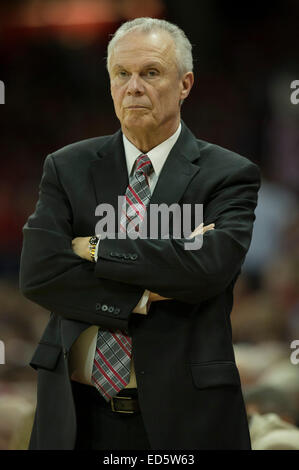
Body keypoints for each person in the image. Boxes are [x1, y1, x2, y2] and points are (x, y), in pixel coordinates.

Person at [19, 17, 261, 450]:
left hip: (185, 416)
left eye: (150, 73)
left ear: (185, 84)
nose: (133, 87)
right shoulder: (67, 166)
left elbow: (208, 270)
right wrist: (144, 295)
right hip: (76, 415)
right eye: (121, 74)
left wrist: (95, 248)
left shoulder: (229, 174)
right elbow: (39, 272)